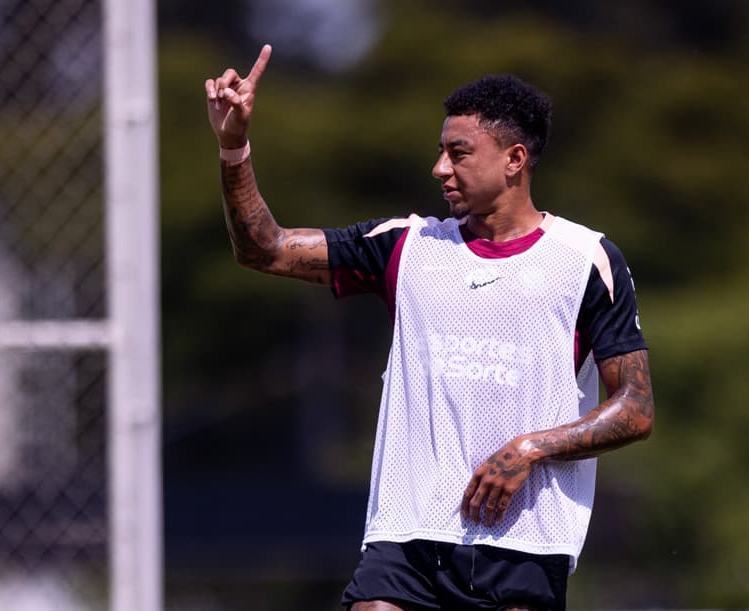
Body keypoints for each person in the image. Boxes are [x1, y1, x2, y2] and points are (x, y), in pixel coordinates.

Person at [204, 44, 654, 611]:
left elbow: (635, 409)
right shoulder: (408, 246)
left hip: (526, 543)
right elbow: (263, 249)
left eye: (458, 153)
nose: (439, 167)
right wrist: (232, 147)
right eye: (440, 152)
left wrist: (531, 448)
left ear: (514, 159)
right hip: (406, 536)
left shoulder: (587, 259)